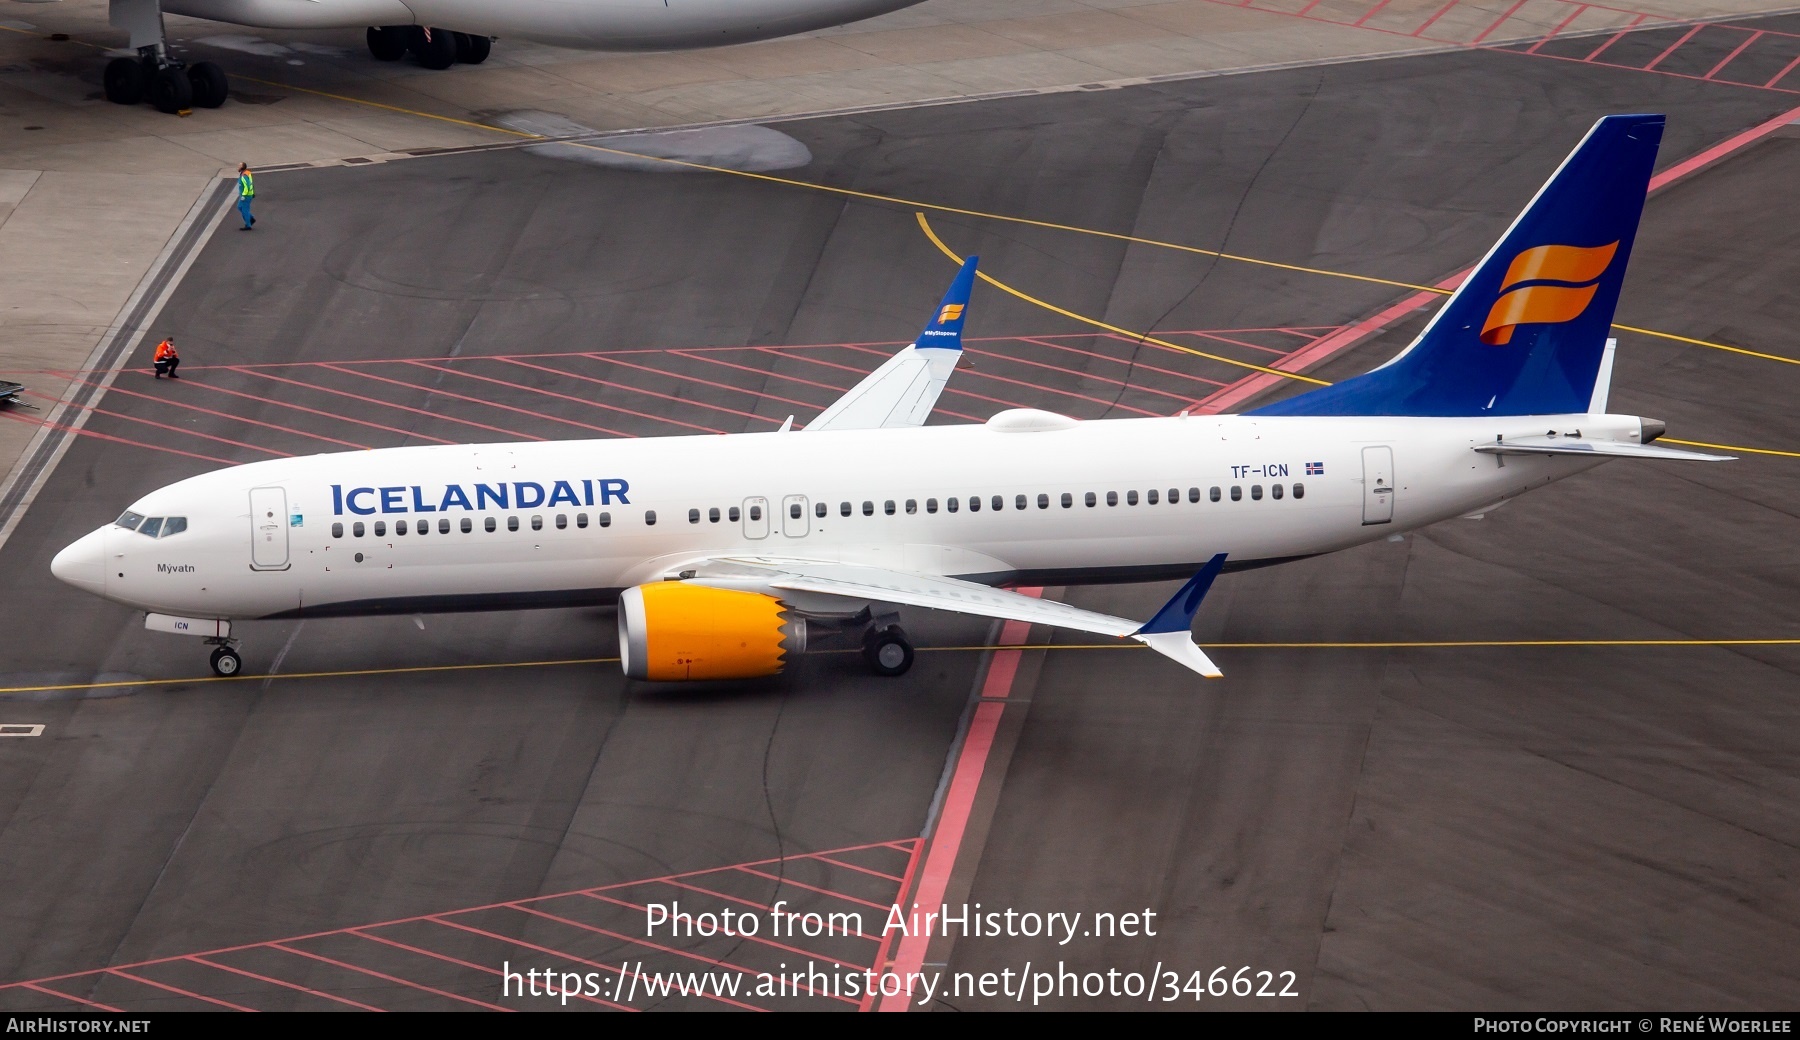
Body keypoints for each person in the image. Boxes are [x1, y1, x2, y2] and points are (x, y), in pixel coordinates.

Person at [236, 163, 256, 230]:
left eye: (239, 166)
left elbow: (247, 187)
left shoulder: (244, 176)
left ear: (242, 168)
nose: (237, 167)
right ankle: (251, 218)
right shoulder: (247, 173)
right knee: (239, 207)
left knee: (245, 210)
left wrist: (243, 196)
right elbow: (251, 184)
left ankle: (248, 225)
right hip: (248, 195)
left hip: (246, 196)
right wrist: (252, 193)